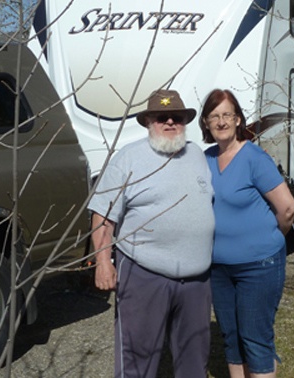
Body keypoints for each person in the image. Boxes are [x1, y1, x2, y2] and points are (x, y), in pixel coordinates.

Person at [88, 89, 214, 378]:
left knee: (194, 363)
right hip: (144, 275)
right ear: (148, 122)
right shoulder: (128, 159)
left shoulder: (196, 154)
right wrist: (103, 262)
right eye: (161, 117)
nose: (170, 122)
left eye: (177, 117)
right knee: (137, 363)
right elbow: (103, 216)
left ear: (185, 121)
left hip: (196, 282)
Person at [199, 89, 294, 378]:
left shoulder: (254, 157)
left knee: (255, 338)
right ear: (205, 123)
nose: (221, 121)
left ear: (238, 119)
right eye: (214, 116)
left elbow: (287, 208)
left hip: (259, 265)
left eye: (227, 114)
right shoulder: (205, 159)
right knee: (231, 338)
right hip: (218, 268)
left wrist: (270, 237)